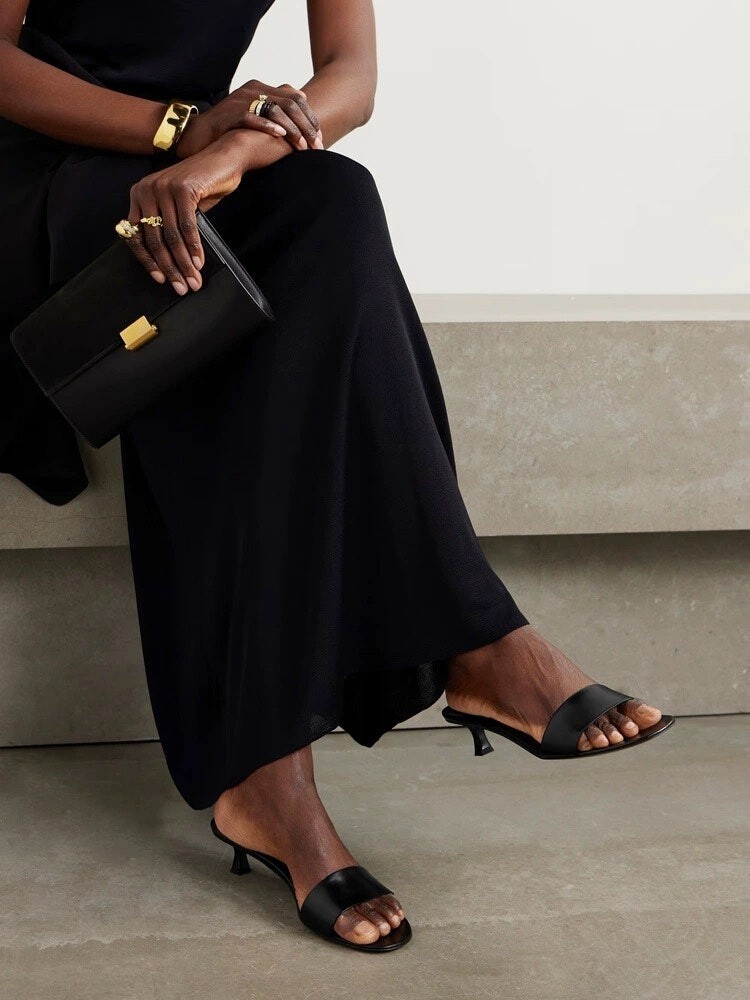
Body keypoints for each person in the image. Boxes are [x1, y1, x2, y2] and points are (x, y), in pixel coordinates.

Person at [0, 0, 673, 953]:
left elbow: (350, 78)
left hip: (183, 173)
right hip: (36, 182)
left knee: (334, 200)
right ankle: (458, 641)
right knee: (246, 276)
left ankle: (280, 767)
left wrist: (237, 151)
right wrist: (179, 129)